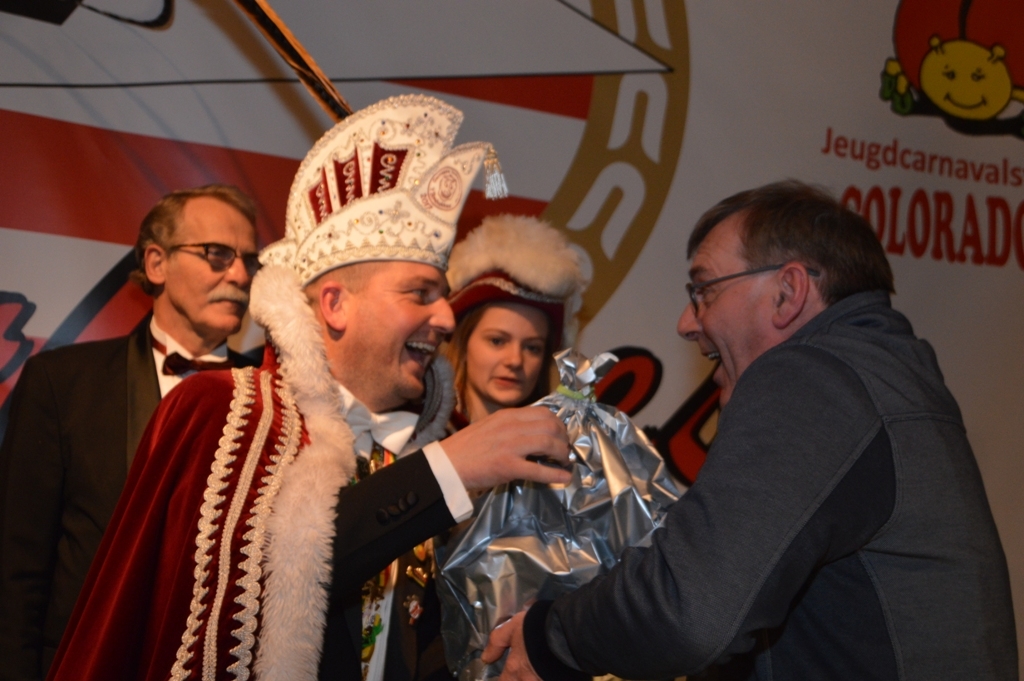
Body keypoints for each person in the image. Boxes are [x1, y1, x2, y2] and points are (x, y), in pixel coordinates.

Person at [45, 94, 573, 681]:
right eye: (419, 294)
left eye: (443, 298)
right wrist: (447, 472)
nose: (446, 319)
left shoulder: (427, 442)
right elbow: (249, 588)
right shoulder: (225, 412)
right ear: (335, 304)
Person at [484, 180, 1018, 681]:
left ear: (788, 292)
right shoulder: (881, 376)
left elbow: (689, 608)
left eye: (704, 290)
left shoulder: (814, 379)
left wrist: (550, 637)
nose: (686, 323)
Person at [0, 184, 261, 681]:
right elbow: (16, 572)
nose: (240, 275)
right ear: (157, 263)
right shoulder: (62, 383)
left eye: (249, 260)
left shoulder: (274, 398)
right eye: (217, 254)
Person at [444, 215, 586, 427]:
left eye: (532, 348)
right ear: (463, 343)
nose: (515, 361)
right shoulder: (416, 436)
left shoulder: (556, 444)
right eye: (497, 341)